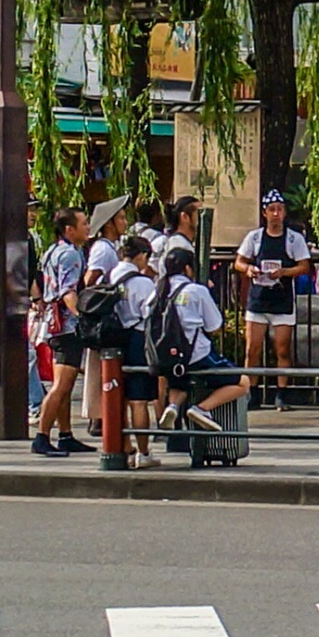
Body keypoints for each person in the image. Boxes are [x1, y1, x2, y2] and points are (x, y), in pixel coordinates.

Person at [155, 247, 250, 435]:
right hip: (197, 355)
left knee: (179, 381)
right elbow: (214, 325)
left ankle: (173, 406)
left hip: (167, 357)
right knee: (243, 382)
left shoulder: (158, 291)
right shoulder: (196, 290)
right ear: (188, 269)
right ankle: (202, 409)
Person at [234, 189, 311, 411]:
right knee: (252, 349)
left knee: (283, 349)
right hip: (258, 299)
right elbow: (239, 261)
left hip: (282, 300)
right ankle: (252, 393)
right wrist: (248, 269)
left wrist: (284, 273)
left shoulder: (294, 239)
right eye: (272, 210)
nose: (276, 214)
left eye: (280, 209)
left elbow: (304, 266)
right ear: (264, 213)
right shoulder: (255, 237)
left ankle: (282, 393)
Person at [33, 206, 91, 456]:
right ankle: (42, 436)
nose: (88, 227)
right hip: (67, 327)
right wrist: (82, 317)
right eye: (84, 223)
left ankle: (65, 434)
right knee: (61, 386)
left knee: (63, 385)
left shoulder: (53, 250)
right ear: (70, 229)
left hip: (53, 324)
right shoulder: (70, 255)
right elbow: (68, 291)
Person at [82, 196, 131, 434]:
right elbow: (90, 280)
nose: (125, 222)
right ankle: (97, 416)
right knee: (100, 367)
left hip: (109, 315)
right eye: (121, 218)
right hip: (103, 316)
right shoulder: (102, 249)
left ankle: (101, 415)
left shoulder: (112, 248)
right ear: (109, 223)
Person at [111, 232, 159, 464]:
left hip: (115, 338)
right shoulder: (143, 283)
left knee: (118, 397)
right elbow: (149, 315)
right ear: (140, 256)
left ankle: (122, 447)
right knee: (139, 400)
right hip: (138, 338)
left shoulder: (113, 275)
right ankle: (144, 453)